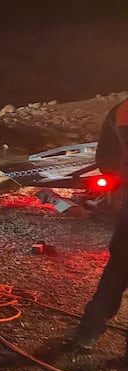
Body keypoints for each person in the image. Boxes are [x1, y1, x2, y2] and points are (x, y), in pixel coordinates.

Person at [65, 97, 128, 349]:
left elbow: (107, 156)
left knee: (120, 266)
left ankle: (88, 332)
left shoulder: (124, 109)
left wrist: (117, 181)